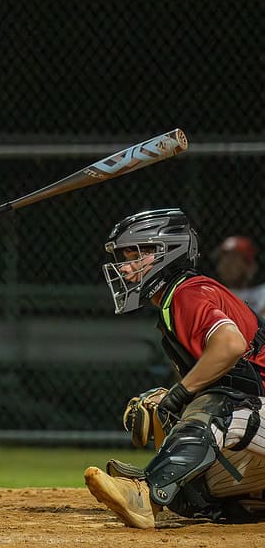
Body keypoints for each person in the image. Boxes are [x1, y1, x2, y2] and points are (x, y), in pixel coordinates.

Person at [84, 208, 265, 529]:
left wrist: (179, 395)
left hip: (253, 408)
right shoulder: (179, 297)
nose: (124, 268)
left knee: (220, 404)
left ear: (165, 252)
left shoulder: (187, 292)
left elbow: (230, 346)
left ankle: (146, 495)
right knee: (191, 494)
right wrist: (176, 398)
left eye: (133, 255)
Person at [212, 235, 265, 319]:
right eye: (222, 259)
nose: (224, 265)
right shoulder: (214, 293)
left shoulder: (262, 293)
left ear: (249, 265)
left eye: (232, 260)